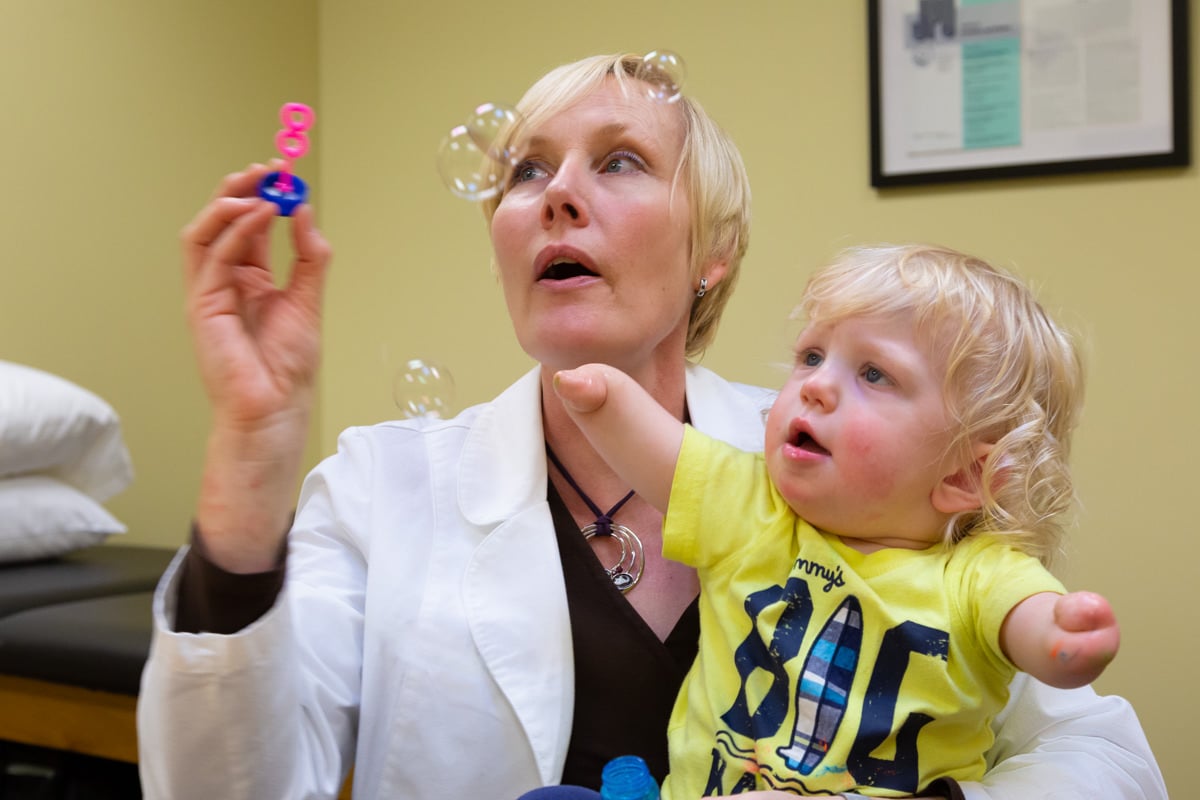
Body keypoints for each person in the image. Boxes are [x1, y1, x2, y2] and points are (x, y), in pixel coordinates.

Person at [137, 53, 1167, 800]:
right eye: (526, 171)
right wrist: (255, 436)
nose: (558, 197)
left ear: (713, 250)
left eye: (619, 160)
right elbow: (218, 787)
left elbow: (1106, 759)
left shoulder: (862, 465)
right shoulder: (382, 483)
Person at [545, 243, 1119, 798]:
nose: (815, 386)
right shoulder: (754, 509)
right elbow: (663, 458)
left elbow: (1032, 622)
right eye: (812, 356)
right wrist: (604, 397)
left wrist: (1060, 638)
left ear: (963, 478)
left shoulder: (978, 576)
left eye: (875, 375)